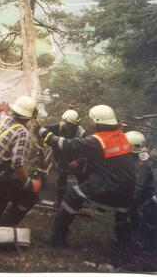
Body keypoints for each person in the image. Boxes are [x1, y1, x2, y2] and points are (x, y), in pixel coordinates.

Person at [38, 104, 136, 249]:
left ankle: (57, 238)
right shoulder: (121, 136)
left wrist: (41, 131)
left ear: (97, 122)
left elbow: (66, 145)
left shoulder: (98, 140)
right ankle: (125, 244)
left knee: (72, 196)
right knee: (122, 212)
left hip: (109, 184)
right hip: (128, 187)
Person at [0, 96, 41, 230]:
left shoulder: (4, 120)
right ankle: (1, 230)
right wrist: (29, 184)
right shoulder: (23, 133)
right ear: (30, 117)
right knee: (30, 198)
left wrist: (4, 109)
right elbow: (17, 164)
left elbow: (2, 112)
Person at [45, 109, 87, 207]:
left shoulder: (81, 133)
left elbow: (86, 151)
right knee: (61, 181)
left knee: (81, 181)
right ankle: (60, 201)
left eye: (69, 124)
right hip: (62, 160)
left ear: (75, 124)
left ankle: (80, 201)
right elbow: (45, 129)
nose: (66, 125)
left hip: (75, 161)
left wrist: (78, 161)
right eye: (66, 123)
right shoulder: (59, 126)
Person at [125, 131, 155, 230]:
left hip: (144, 194)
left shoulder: (142, 163)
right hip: (136, 189)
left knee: (132, 209)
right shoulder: (134, 157)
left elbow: (138, 184)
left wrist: (131, 199)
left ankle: (136, 229)